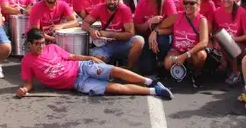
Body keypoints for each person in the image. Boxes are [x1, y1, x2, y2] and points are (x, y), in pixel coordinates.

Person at [17, 28, 173, 99]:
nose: (41, 46)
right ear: (29, 44)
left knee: (114, 70)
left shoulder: (52, 47)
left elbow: (71, 57)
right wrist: (24, 89)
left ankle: (152, 82)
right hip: (78, 83)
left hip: (82, 67)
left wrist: (90, 58)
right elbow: (29, 83)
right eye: (37, 44)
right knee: (116, 89)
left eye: (43, 43)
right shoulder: (27, 61)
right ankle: (154, 92)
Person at [148, 0, 210, 88]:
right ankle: (182, 68)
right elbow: (161, 26)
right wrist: (155, 32)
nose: (188, 5)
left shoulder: (202, 20)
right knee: (167, 64)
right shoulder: (177, 16)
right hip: (177, 50)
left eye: (192, 3)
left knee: (201, 55)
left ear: (198, 4)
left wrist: (185, 55)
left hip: (192, 52)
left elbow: (204, 42)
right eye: (185, 3)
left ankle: (197, 74)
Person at [82, 0, 144, 69]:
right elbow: (85, 23)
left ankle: (129, 68)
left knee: (139, 40)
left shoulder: (125, 10)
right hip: (106, 44)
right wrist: (91, 30)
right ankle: (110, 68)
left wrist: (109, 34)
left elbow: (130, 33)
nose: (112, 2)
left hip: (122, 43)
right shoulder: (100, 8)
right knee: (97, 60)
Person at [213, 0, 246, 86]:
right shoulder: (217, 12)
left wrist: (233, 39)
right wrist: (216, 42)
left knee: (229, 44)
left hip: (241, 45)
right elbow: (215, 31)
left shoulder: (241, 12)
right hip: (223, 44)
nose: (226, 0)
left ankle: (236, 72)